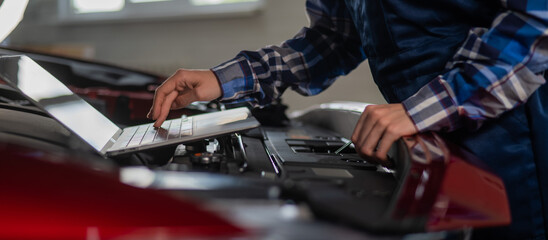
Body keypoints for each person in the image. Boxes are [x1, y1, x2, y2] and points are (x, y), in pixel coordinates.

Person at [148, 0, 548, 239]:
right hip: (427, 141)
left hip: (516, 138)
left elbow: (533, 24)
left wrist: (423, 109)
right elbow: (335, 39)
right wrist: (224, 79)